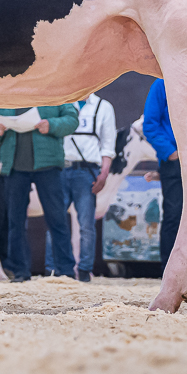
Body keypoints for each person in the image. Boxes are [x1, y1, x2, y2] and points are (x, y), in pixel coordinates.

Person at [0, 104, 78, 282]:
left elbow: (72, 120)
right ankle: (20, 272)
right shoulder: (6, 96)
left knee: (57, 219)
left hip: (48, 166)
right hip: (14, 168)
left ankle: (66, 271)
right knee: (15, 222)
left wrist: (51, 125)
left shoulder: (54, 93)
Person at [44, 91, 116, 281]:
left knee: (86, 224)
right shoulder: (61, 101)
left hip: (87, 170)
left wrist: (104, 172)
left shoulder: (103, 107)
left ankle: (84, 269)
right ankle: (52, 269)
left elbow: (108, 144)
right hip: (60, 167)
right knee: (55, 220)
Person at [142, 79, 183, 270]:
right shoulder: (161, 84)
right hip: (173, 161)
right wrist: (171, 152)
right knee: (174, 216)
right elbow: (150, 125)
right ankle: (170, 272)